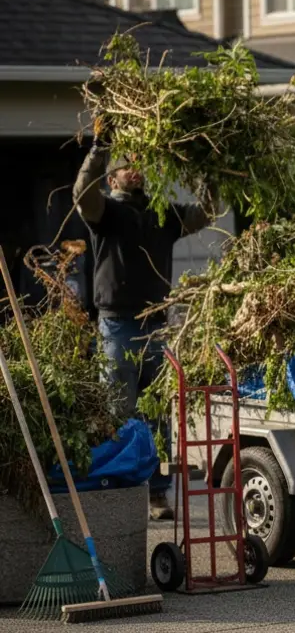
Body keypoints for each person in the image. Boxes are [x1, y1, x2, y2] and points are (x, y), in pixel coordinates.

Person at [74, 123, 214, 520]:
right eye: (125, 166)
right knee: (119, 412)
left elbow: (205, 213)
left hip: (157, 326)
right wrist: (99, 148)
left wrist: (206, 166)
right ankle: (119, 494)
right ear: (113, 175)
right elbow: (81, 196)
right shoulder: (105, 212)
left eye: (139, 165)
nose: (134, 171)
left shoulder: (160, 213)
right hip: (117, 326)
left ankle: (155, 494)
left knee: (156, 415)